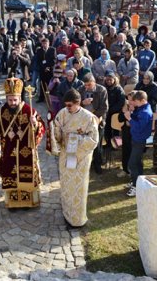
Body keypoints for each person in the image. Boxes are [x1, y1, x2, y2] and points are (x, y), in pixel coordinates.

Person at [0, 77, 46, 208]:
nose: (12, 103)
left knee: (26, 175)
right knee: (10, 175)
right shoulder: (0, 113)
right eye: (10, 100)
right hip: (8, 151)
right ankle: (12, 203)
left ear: (19, 98)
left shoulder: (29, 111)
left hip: (26, 151)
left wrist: (35, 124)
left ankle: (29, 202)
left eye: (15, 100)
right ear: (6, 98)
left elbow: (41, 128)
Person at [53, 89, 99, 227]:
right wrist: (56, 132)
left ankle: (77, 219)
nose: (67, 108)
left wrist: (76, 139)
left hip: (81, 157)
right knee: (67, 185)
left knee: (79, 187)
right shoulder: (62, 113)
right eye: (66, 105)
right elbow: (57, 130)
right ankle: (67, 213)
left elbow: (93, 139)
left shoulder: (88, 117)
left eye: (69, 105)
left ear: (78, 103)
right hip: (66, 155)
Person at [78, 74, 108, 174]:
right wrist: (83, 103)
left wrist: (93, 117)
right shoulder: (80, 89)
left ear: (94, 82)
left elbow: (104, 108)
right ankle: (86, 164)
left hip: (97, 121)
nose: (87, 87)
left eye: (89, 85)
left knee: (97, 144)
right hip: (83, 121)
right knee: (84, 143)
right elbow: (75, 104)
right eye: (85, 85)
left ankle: (97, 165)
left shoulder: (101, 90)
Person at [124, 90, 153, 197]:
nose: (134, 103)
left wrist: (129, 118)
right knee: (137, 162)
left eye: (136, 101)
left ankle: (136, 187)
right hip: (136, 138)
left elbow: (139, 127)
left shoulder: (145, 112)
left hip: (139, 140)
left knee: (132, 163)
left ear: (143, 100)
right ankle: (138, 182)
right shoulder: (141, 108)